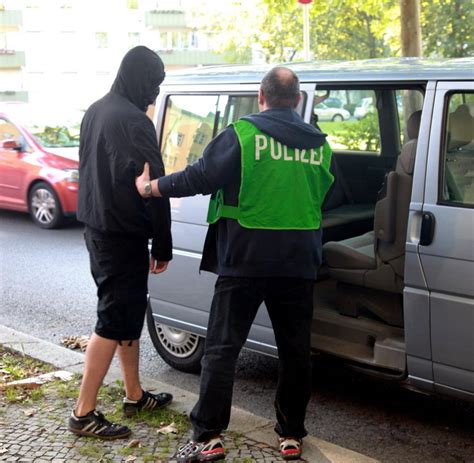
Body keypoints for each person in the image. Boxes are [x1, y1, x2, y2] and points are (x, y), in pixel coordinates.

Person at [136, 67, 334, 461]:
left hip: (246, 257)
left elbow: (200, 177)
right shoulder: (320, 144)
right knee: (295, 352)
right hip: (298, 260)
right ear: (296, 100)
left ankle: (208, 437)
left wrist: (150, 188)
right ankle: (291, 435)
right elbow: (323, 194)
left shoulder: (243, 135)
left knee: (222, 350)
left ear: (261, 97)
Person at [68, 46, 173, 440]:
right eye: (154, 84)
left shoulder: (95, 110)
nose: (155, 94)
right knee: (112, 320)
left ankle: (133, 394)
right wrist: (163, 244)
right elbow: (155, 186)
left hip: (96, 227)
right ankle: (83, 413)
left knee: (127, 310)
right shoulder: (135, 121)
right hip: (123, 233)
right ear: (141, 79)